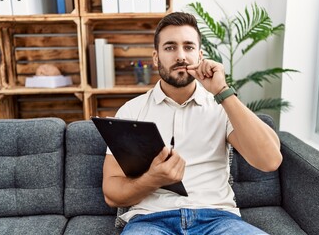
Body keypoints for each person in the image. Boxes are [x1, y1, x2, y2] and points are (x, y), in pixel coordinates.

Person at [102, 12, 283, 235]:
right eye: (170, 47)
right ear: (156, 57)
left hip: (217, 219)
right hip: (150, 221)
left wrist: (222, 91)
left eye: (188, 47)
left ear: (200, 56)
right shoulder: (131, 111)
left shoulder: (221, 105)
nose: (181, 56)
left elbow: (270, 161)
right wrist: (153, 179)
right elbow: (111, 194)